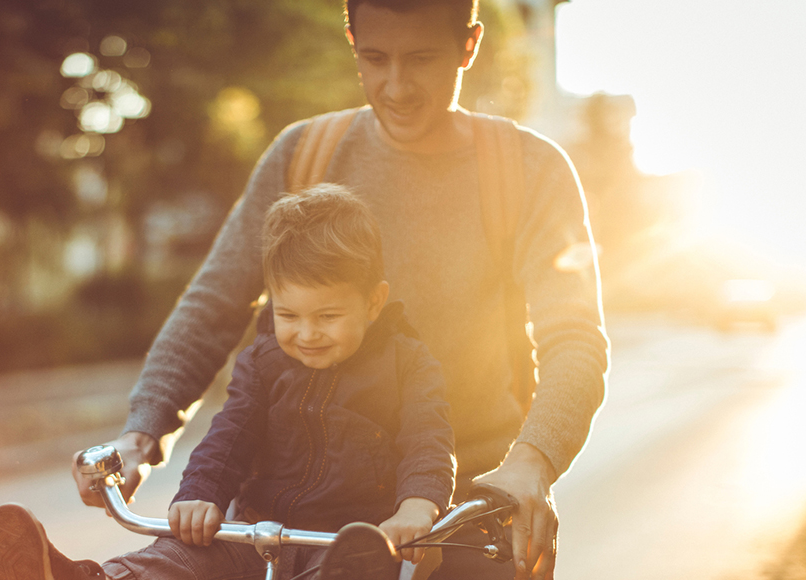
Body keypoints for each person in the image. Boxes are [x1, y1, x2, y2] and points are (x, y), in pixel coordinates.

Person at [73, 1, 610, 579]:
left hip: (464, 501)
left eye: (421, 60)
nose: (396, 86)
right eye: (375, 58)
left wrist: (531, 462)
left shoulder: (528, 169)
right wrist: (140, 435)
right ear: (352, 39)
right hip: (296, 503)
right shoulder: (305, 155)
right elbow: (213, 305)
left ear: (468, 46)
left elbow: (576, 339)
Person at [0, 184, 456, 580]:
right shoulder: (263, 361)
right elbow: (229, 436)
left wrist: (417, 508)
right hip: (257, 532)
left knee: (351, 571)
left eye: (328, 316)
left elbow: (427, 441)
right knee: (181, 554)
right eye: (287, 314)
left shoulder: (408, 364)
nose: (307, 334)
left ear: (374, 303)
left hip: (351, 542)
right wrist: (199, 494)